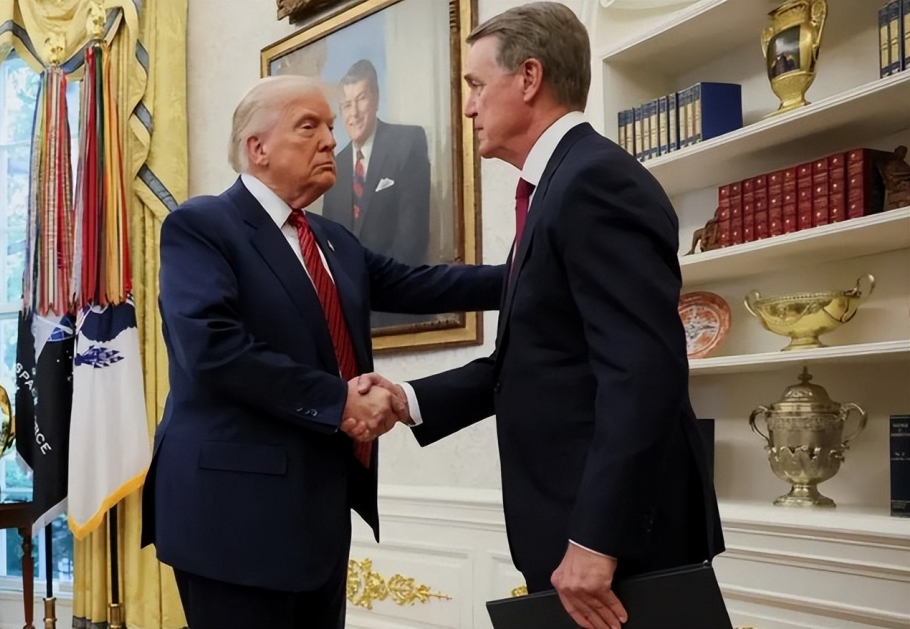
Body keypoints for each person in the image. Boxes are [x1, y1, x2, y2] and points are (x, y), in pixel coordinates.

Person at [356, 4, 724, 628]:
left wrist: (596, 539)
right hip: (579, 525)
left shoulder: (594, 183)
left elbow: (643, 374)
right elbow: (536, 358)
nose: (468, 107)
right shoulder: (559, 183)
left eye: (476, 85)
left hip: (618, 542)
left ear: (529, 78)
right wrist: (409, 399)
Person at [140, 75, 504, 629]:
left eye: (330, 127)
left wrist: (532, 271)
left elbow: (424, 284)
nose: (331, 140)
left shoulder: (333, 240)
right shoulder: (202, 226)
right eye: (308, 126)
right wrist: (339, 401)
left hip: (319, 519)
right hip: (232, 522)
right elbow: (213, 349)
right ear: (257, 148)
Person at [322, 59, 432, 329]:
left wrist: (370, 292)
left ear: (377, 99)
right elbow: (330, 248)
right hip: (352, 317)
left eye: (361, 99)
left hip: (401, 307)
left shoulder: (407, 142)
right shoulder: (334, 166)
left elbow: (412, 238)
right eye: (346, 105)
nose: (354, 113)